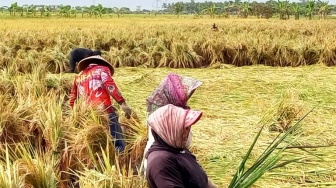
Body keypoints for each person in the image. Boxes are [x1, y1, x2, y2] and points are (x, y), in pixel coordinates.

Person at [142, 73, 203, 173]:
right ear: (174, 95)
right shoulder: (163, 120)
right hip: (167, 167)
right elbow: (184, 143)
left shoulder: (170, 115)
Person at [69, 55, 132, 152]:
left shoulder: (78, 76)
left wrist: (74, 115)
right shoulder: (102, 69)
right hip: (104, 109)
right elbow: (110, 85)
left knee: (96, 140)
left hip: (87, 115)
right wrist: (122, 103)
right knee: (117, 141)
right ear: (101, 63)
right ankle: (119, 157)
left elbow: (73, 98)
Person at [146, 104, 218, 188]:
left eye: (189, 127)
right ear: (168, 130)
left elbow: (200, 177)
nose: (187, 132)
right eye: (184, 128)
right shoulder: (160, 162)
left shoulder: (179, 149)